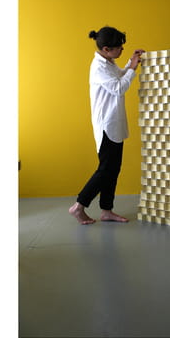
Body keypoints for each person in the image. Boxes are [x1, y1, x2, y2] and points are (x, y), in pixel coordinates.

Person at [69, 26, 145, 225]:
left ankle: (107, 210)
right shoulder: (99, 67)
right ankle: (79, 206)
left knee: (113, 169)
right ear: (105, 49)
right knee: (105, 169)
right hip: (106, 124)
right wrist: (133, 69)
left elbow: (120, 75)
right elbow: (119, 87)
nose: (121, 49)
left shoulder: (109, 62)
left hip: (115, 122)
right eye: (118, 47)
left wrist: (131, 62)